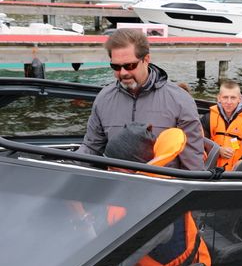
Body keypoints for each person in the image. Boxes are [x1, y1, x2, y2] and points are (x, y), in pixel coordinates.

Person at [99, 122, 211, 266]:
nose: (107, 174)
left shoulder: (155, 213)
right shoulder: (144, 188)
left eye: (114, 169)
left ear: (136, 170)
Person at [77, 28, 204, 171]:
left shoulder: (180, 100)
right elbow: (92, 147)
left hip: (163, 188)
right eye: (116, 67)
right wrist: (68, 168)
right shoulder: (103, 98)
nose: (123, 73)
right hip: (114, 185)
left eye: (130, 65)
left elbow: (193, 162)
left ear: (146, 60)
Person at [201, 80, 242, 171]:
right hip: (210, 169)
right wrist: (218, 150)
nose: (229, 102)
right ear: (219, 98)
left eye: (233, 98)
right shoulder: (208, 118)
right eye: (225, 97)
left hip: (236, 172)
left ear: (239, 99)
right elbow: (201, 141)